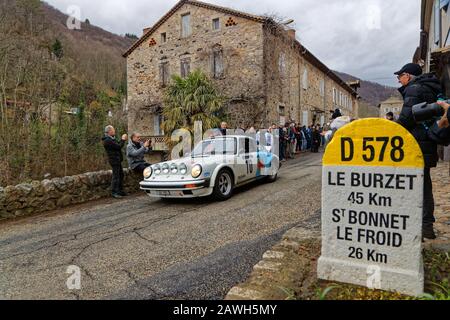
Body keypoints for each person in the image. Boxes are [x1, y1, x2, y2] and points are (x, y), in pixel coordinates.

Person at [395, 63, 442, 239]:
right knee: (425, 184)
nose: (399, 80)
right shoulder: (428, 87)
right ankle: (427, 226)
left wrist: (391, 130)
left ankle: (419, 226)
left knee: (416, 186)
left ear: (408, 76)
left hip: (416, 144)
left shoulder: (414, 89)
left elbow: (406, 119)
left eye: (400, 76)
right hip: (426, 141)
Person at [102, 126, 128, 199]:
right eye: (113, 130)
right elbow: (118, 147)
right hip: (114, 160)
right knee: (116, 176)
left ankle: (120, 190)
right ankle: (114, 192)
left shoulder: (112, 139)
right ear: (109, 131)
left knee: (121, 175)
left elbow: (117, 145)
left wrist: (122, 140)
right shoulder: (107, 140)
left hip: (118, 160)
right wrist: (123, 139)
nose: (114, 131)